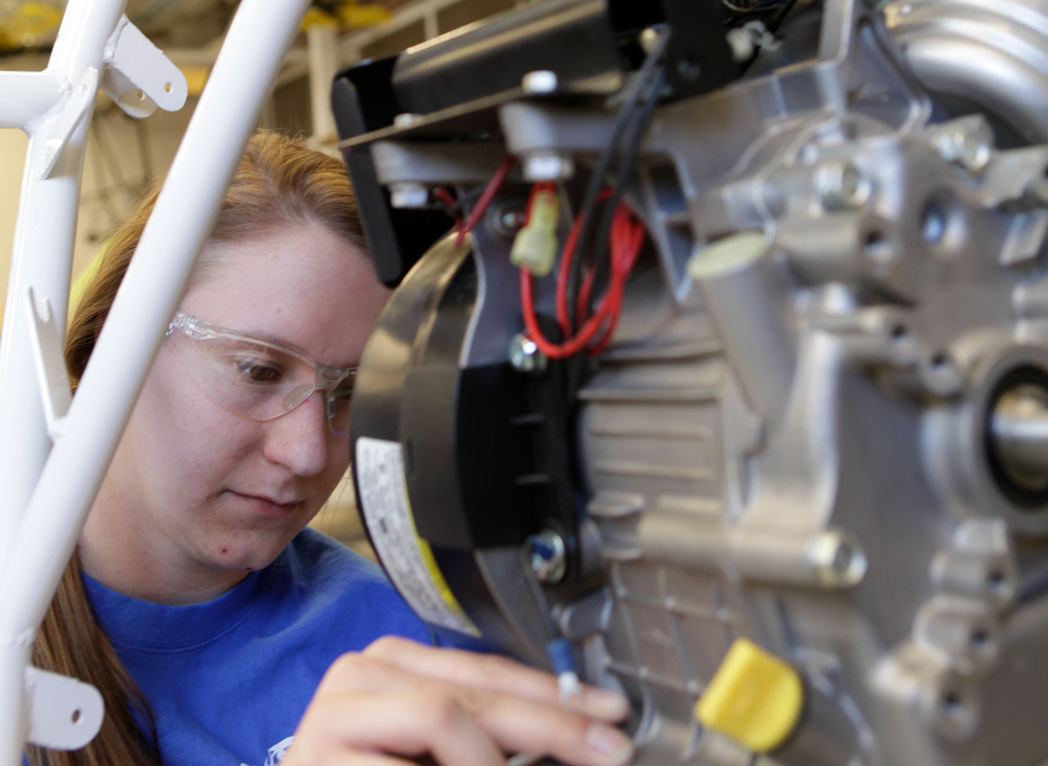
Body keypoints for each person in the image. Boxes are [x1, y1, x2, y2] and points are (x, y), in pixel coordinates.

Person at [30, 130, 633, 766]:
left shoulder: (407, 651)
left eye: (351, 393)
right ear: (110, 343)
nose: (308, 454)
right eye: (258, 371)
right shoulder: (26, 622)